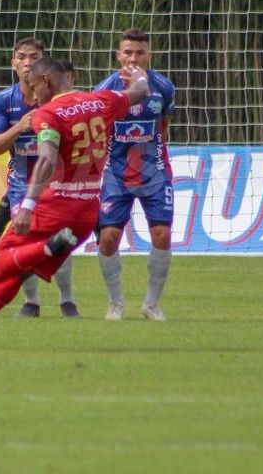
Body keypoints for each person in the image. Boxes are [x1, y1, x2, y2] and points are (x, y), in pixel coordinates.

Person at [0, 57, 150, 349]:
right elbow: (139, 92)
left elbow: (48, 158)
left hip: (54, 208)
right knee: (14, 278)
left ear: (46, 81)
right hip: (87, 214)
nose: (33, 95)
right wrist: (139, 74)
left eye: (34, 87)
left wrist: (27, 205)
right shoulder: (102, 101)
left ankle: (47, 246)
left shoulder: (47, 114)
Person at [0, 37, 79, 318]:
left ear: (45, 65)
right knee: (24, 243)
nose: (27, 63)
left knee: (60, 239)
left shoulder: (60, 98)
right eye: (21, 57)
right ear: (13, 63)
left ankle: (67, 301)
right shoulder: (5, 100)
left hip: (58, 180)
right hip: (21, 184)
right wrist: (20, 127)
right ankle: (31, 302)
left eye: (33, 57)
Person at [94, 29, 177, 321]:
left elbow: (163, 125)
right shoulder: (104, 90)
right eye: (128, 52)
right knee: (109, 238)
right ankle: (115, 303)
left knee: (162, 234)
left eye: (139, 52)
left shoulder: (164, 87)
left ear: (148, 55)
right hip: (116, 174)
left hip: (154, 171)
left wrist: (157, 158)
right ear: (118, 55)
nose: (133, 58)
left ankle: (151, 303)